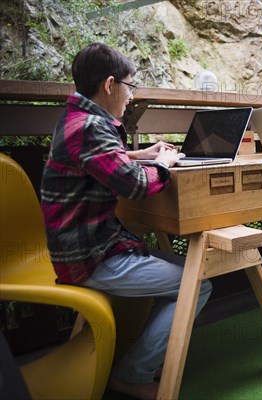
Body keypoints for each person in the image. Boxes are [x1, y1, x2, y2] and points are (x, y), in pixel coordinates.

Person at [40, 43, 212, 400]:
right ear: (109, 84)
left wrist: (142, 153)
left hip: (91, 245)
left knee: (194, 269)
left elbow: (96, 159)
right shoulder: (89, 127)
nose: (131, 96)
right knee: (198, 282)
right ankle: (132, 375)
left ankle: (142, 361)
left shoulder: (77, 119)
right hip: (90, 256)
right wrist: (163, 165)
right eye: (130, 86)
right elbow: (134, 184)